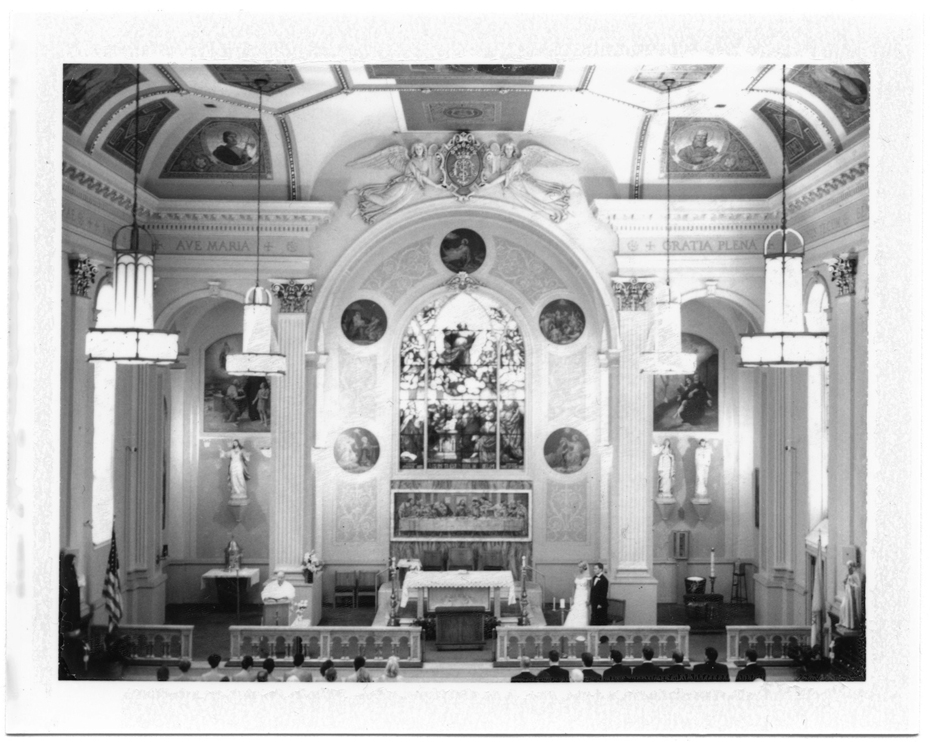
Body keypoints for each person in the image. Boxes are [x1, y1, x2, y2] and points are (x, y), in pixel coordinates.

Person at [563, 562, 591, 627]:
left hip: (584, 595)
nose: (579, 568)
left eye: (581, 567)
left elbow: (589, 588)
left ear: (584, 568)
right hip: (577, 595)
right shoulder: (576, 575)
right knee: (574, 610)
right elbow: (574, 587)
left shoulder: (587, 576)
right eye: (578, 567)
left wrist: (588, 599)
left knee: (582, 611)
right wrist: (573, 598)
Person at [838, 561, 863, 631]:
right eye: (848, 567)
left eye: (849, 567)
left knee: (849, 608)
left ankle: (851, 624)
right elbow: (846, 583)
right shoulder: (849, 574)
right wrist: (845, 582)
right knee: (843, 607)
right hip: (847, 594)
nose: (848, 569)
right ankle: (844, 622)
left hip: (852, 595)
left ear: (853, 567)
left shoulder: (855, 575)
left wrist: (851, 585)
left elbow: (858, 586)